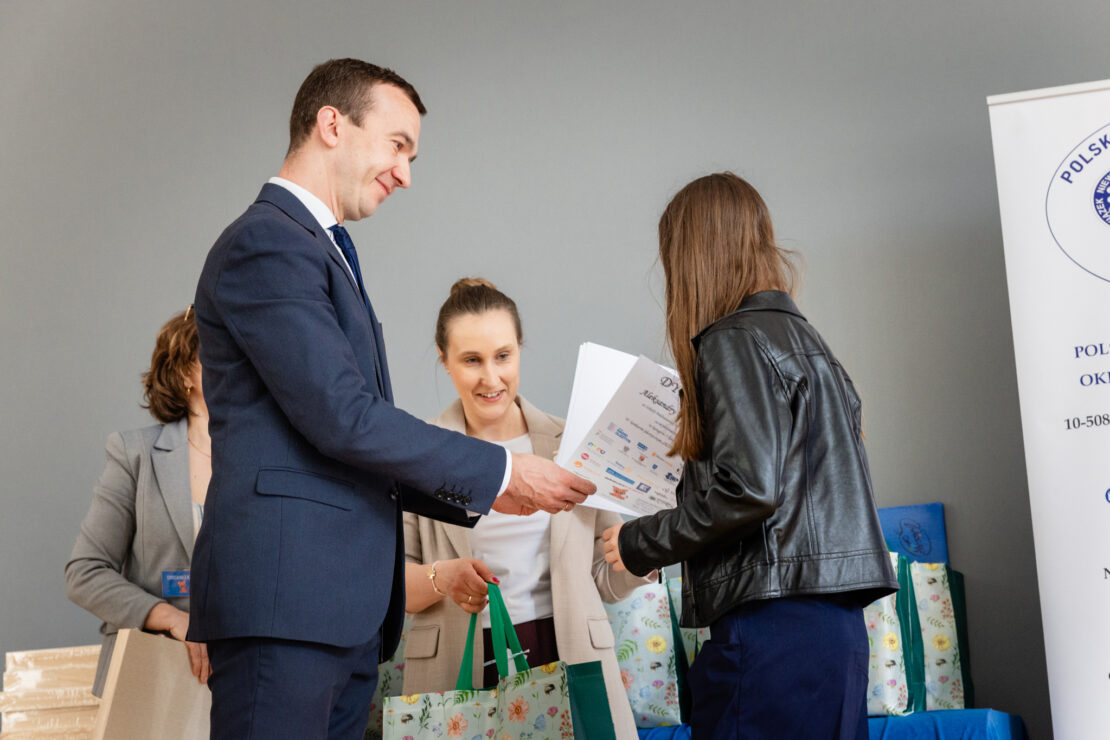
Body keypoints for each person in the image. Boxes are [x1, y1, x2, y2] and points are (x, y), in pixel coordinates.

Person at [188, 58, 594, 740]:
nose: (406, 172)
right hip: (289, 609)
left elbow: (340, 438)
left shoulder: (323, 249)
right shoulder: (267, 243)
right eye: (399, 144)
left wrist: (492, 490)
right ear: (331, 125)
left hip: (338, 617)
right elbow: (343, 418)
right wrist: (501, 470)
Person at [602, 172, 897, 738]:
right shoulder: (811, 346)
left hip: (772, 630)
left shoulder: (731, 340)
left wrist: (639, 542)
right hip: (835, 636)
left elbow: (749, 488)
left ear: (689, 257)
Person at [401, 278, 653, 738]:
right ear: (444, 361)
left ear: (520, 349)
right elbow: (390, 586)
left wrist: (647, 552)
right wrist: (444, 577)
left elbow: (605, 576)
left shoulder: (571, 443)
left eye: (503, 356)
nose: (491, 378)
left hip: (568, 650)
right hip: (463, 662)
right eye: (471, 360)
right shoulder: (417, 454)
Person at [66, 308, 211, 695]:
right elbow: (85, 573)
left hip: (240, 679)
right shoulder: (134, 453)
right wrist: (169, 618)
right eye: (221, 354)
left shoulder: (261, 461)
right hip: (150, 680)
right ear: (185, 375)